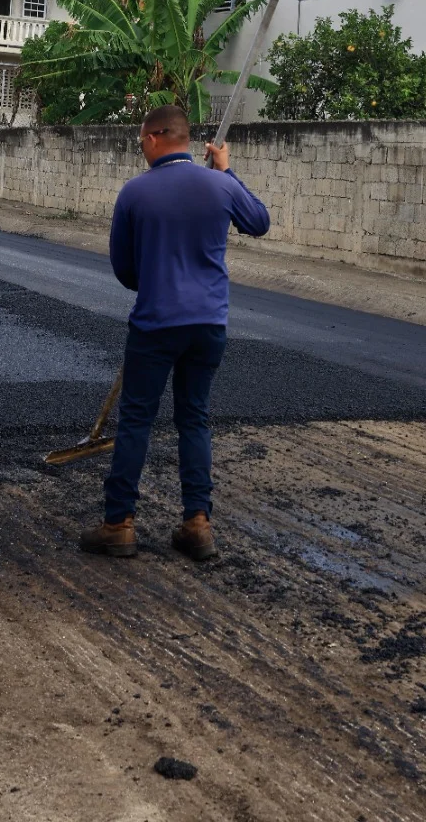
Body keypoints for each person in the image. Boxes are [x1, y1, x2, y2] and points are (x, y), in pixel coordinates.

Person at [80, 104, 270, 562]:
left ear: (153, 138)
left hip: (155, 323)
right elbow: (258, 222)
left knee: (137, 421)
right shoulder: (221, 184)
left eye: (141, 140)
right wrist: (229, 172)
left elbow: (125, 271)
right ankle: (197, 524)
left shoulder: (134, 193)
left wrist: (157, 277)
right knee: (194, 418)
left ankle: (119, 524)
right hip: (208, 324)